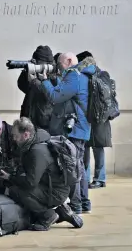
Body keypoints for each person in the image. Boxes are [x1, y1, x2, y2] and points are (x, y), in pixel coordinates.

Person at [36, 52, 97, 214]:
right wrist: (54, 80)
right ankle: (84, 203)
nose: (58, 67)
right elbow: (66, 94)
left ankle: (76, 205)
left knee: (72, 168)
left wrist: (44, 81)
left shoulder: (74, 75)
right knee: (79, 167)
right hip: (81, 128)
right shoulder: (84, 75)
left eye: (59, 63)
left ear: (69, 61)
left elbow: (55, 96)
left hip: (73, 130)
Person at [0, 117, 81, 231]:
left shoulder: (36, 151)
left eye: (16, 136)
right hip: (54, 186)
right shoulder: (35, 142)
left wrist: (10, 177)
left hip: (56, 191)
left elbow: (30, 183)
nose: (13, 139)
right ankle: (61, 211)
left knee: (16, 191)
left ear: (26, 135)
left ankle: (48, 216)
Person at [77, 51, 111, 189]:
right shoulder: (103, 74)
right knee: (97, 149)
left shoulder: (83, 75)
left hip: (89, 116)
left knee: (88, 148)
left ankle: (89, 178)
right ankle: (99, 179)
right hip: (101, 117)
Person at [17, 46, 55, 131]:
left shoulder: (54, 75)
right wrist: (27, 71)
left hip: (43, 123)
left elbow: (47, 94)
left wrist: (35, 81)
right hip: (28, 119)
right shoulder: (34, 73)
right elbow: (22, 86)